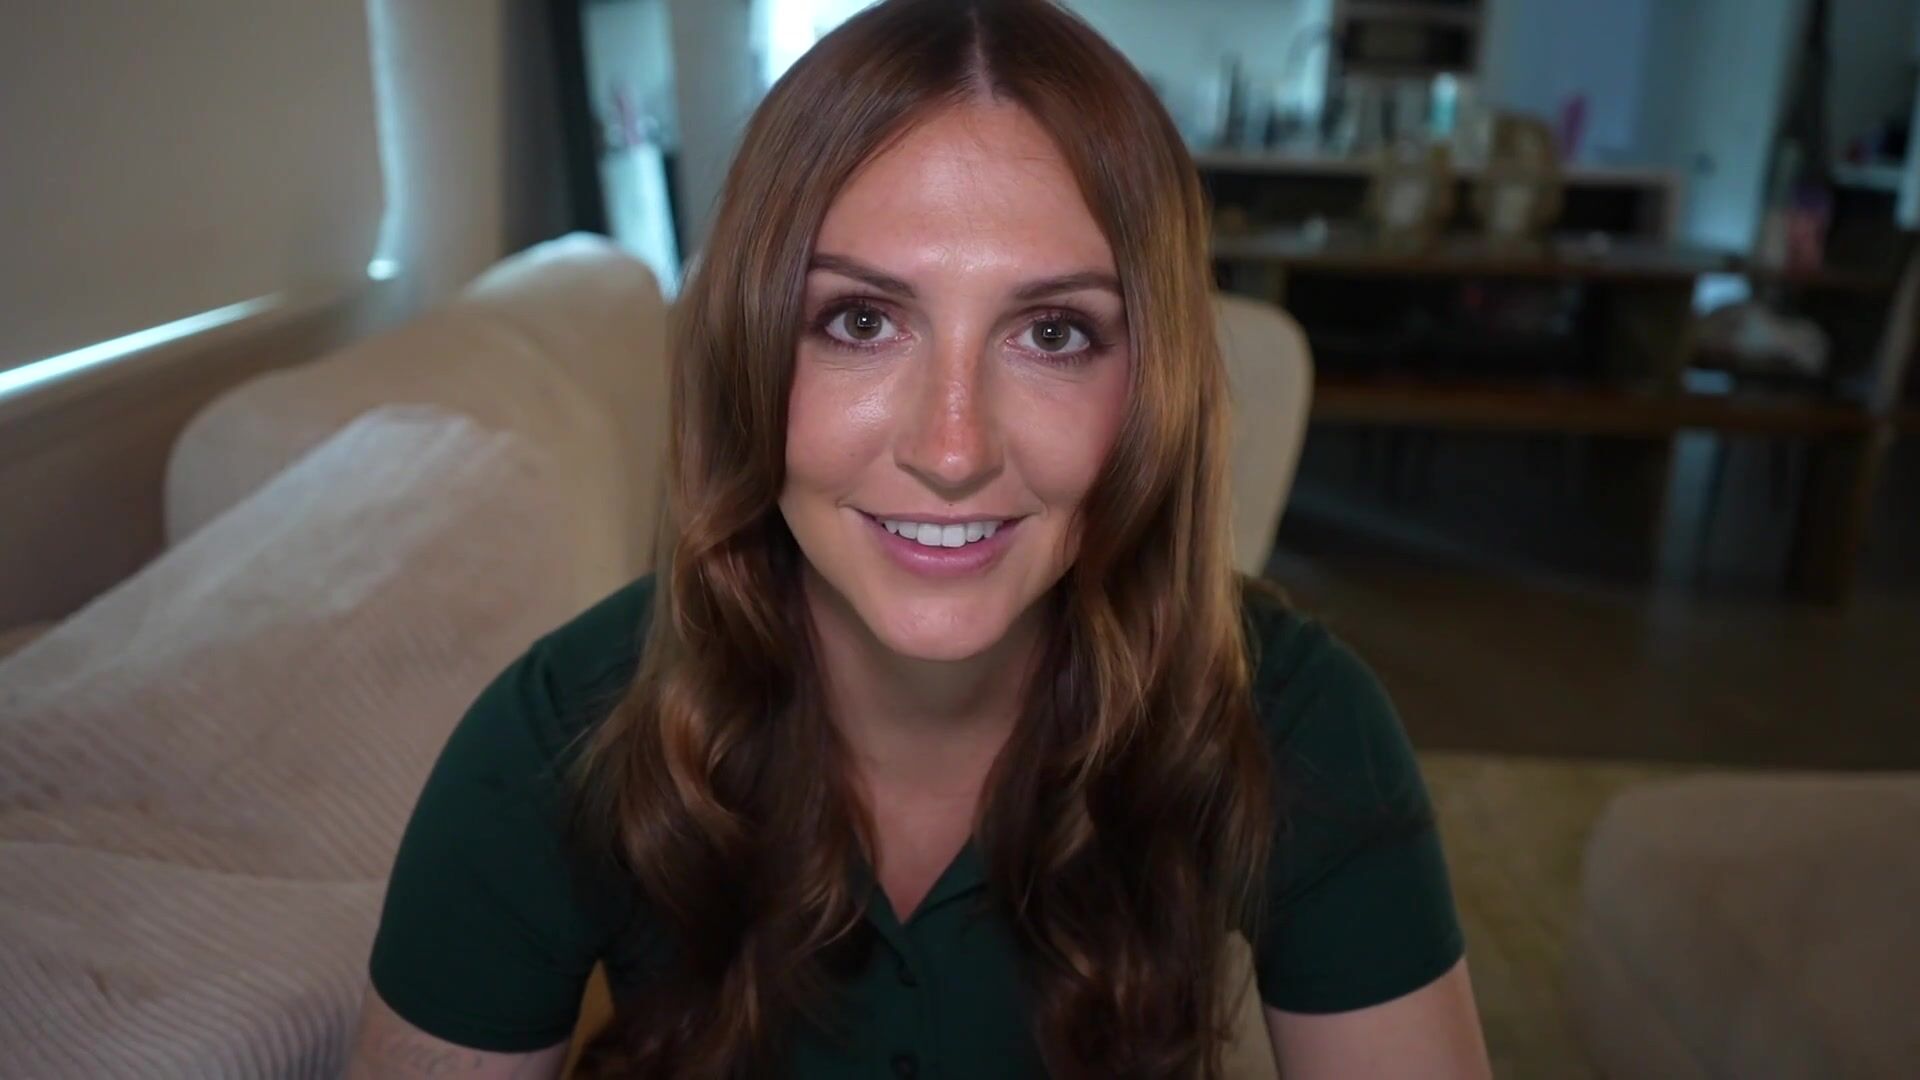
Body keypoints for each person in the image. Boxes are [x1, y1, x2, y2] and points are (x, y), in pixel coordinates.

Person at [348, 1, 1490, 1076]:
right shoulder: (553, 743)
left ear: (1153, 388)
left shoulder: (1296, 719)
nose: (952, 449)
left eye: (1054, 333)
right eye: (860, 320)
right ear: (748, 356)